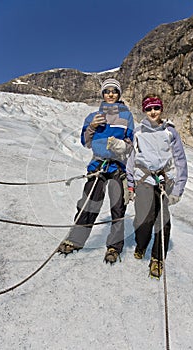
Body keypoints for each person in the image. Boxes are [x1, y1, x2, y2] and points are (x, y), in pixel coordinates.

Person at [58, 78, 135, 264]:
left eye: (114, 91)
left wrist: (123, 146)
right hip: (98, 165)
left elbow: (132, 143)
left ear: (119, 94)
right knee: (89, 202)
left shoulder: (127, 116)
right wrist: (92, 127)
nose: (110, 94)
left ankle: (114, 247)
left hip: (117, 166)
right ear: (102, 94)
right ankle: (75, 240)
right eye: (107, 91)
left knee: (118, 206)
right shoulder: (93, 116)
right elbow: (86, 142)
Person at [126, 94, 188, 278]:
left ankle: (157, 258)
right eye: (149, 109)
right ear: (144, 110)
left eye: (156, 108)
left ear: (161, 109)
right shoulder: (138, 132)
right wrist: (130, 186)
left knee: (163, 220)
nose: (153, 112)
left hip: (165, 180)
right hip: (144, 180)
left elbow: (180, 161)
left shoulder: (170, 132)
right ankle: (141, 244)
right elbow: (131, 160)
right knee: (143, 219)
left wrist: (178, 189)